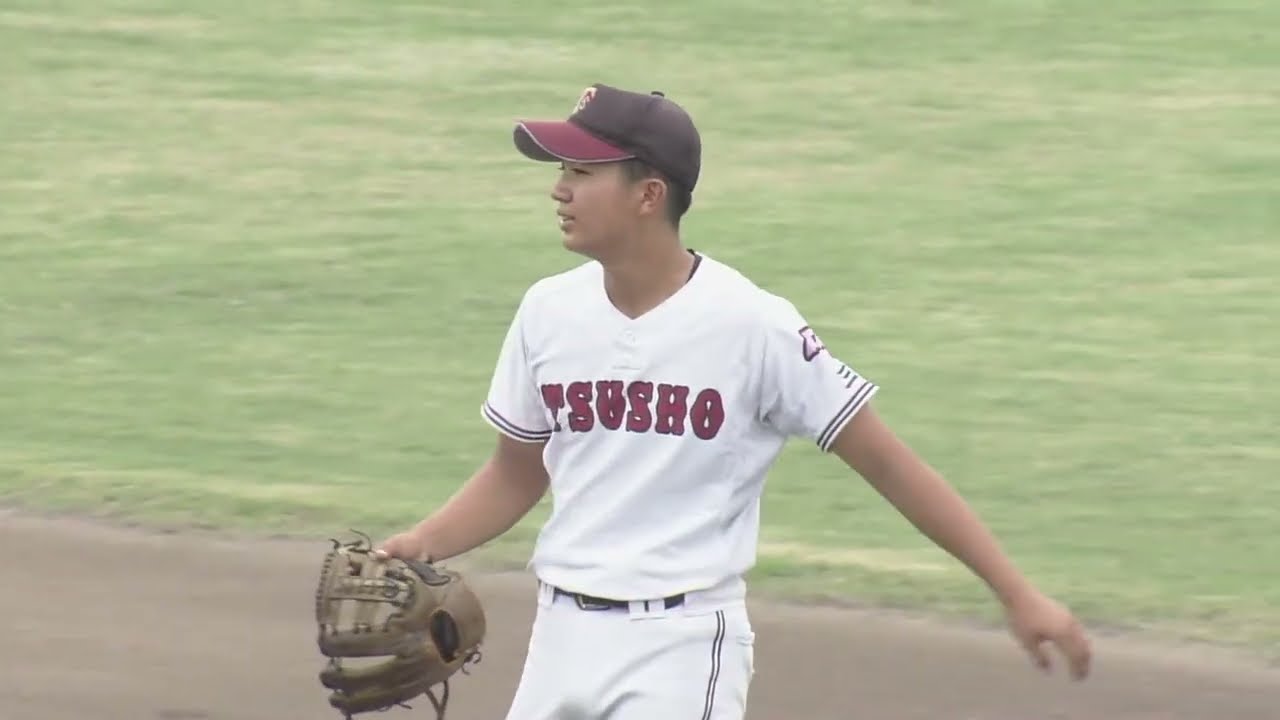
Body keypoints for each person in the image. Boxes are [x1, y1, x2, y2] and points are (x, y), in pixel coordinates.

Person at [376, 83, 1092, 719]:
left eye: (582, 172)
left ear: (648, 194)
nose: (559, 190)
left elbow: (887, 463)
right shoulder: (546, 312)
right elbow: (518, 472)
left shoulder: (753, 326)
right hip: (559, 634)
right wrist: (420, 542)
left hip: (681, 649)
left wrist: (1016, 592)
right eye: (562, 170)